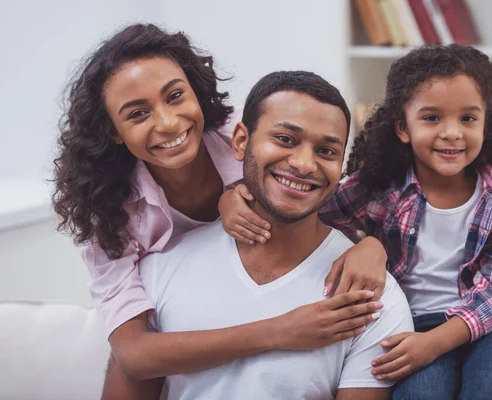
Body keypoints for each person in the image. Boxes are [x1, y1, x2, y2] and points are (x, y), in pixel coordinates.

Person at [52, 23, 388, 381]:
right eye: (137, 113)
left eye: (175, 96)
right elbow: (132, 355)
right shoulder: (107, 216)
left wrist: (370, 244)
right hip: (186, 320)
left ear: (195, 91)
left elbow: (318, 193)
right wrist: (279, 331)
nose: (167, 122)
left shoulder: (248, 136)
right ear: (113, 132)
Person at [102, 70, 414, 400]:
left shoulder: (371, 298)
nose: (305, 164)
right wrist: (279, 331)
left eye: (326, 151)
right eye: (285, 139)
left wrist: (372, 243)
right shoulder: (159, 271)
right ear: (240, 141)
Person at [319, 44, 492, 399]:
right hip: (415, 322)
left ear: (486, 123)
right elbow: (314, 212)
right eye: (432, 118)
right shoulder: (379, 187)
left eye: (468, 119)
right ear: (403, 127)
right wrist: (365, 244)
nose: (452, 132)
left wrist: (434, 344)